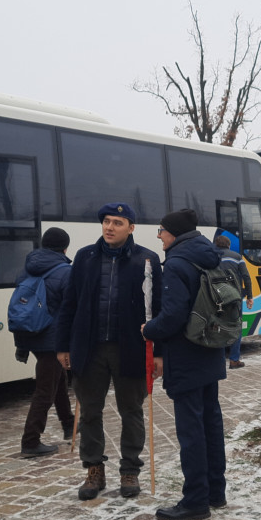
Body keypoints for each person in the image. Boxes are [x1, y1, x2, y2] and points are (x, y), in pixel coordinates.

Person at [55, 202, 161, 501]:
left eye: (117, 222)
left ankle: (130, 468)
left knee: (132, 410)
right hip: (89, 349)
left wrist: (159, 352)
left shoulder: (147, 260)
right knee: (90, 411)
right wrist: (63, 345)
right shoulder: (85, 257)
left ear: (131, 227)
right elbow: (69, 304)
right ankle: (94, 469)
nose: (109, 227)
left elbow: (158, 309)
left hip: (131, 348)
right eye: (106, 221)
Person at [144, 209, 228, 520]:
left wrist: (148, 330)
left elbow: (173, 316)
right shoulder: (208, 255)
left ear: (174, 233)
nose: (159, 236)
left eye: (162, 230)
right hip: (210, 351)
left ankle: (195, 500)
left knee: (191, 430)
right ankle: (215, 492)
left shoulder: (178, 263)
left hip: (186, 355)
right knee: (210, 423)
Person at [14, 227, 76, 457]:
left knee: (58, 379)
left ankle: (69, 424)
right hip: (52, 337)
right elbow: (71, 307)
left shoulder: (27, 268)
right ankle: (30, 441)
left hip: (31, 333)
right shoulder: (65, 272)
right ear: (65, 247)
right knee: (45, 390)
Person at [214, 234, 253, 369]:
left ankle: (217, 360)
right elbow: (246, 277)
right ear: (228, 245)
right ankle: (234, 360)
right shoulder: (237, 257)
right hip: (234, 297)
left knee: (216, 327)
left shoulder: (211, 256)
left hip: (215, 298)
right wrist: (249, 296)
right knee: (236, 327)